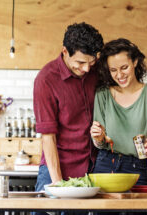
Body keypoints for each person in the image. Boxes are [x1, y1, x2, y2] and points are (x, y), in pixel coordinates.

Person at [33, 22, 104, 192]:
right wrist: (59, 185)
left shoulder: (96, 72)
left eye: (91, 62)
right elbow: (48, 137)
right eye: (80, 62)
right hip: (56, 169)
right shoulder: (46, 79)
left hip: (91, 170)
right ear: (65, 51)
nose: (86, 68)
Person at [90, 38, 147, 186]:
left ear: (135, 62)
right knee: (103, 210)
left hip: (137, 166)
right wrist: (98, 138)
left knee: (135, 210)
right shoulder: (103, 94)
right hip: (106, 163)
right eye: (113, 70)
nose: (119, 75)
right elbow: (100, 142)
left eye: (124, 67)